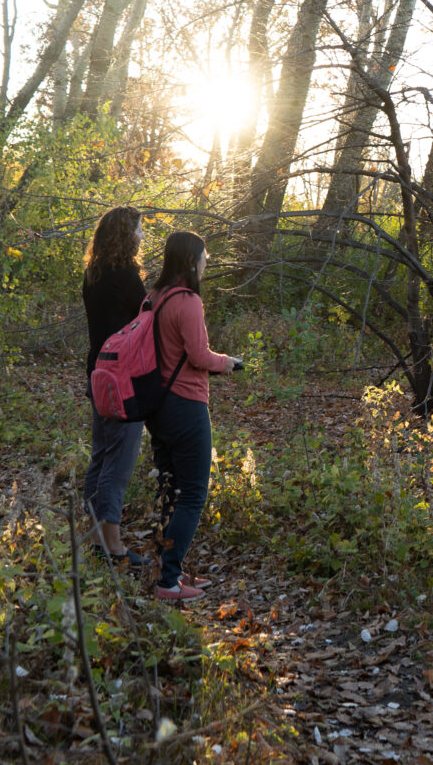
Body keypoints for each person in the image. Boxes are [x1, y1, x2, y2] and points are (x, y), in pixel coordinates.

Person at [144, 230, 239, 602]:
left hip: (158, 408)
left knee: (170, 490)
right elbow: (199, 357)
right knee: (192, 494)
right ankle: (168, 582)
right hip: (186, 405)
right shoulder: (188, 302)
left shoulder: (154, 297)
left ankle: (167, 571)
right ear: (190, 260)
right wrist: (228, 363)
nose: (207, 261)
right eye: (204, 256)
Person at [81, 206, 150, 567]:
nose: (142, 236)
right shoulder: (126, 276)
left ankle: (94, 539)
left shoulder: (94, 274)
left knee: (101, 455)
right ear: (125, 235)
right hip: (123, 378)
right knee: (118, 462)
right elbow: (148, 320)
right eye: (138, 229)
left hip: (97, 374)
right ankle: (114, 545)